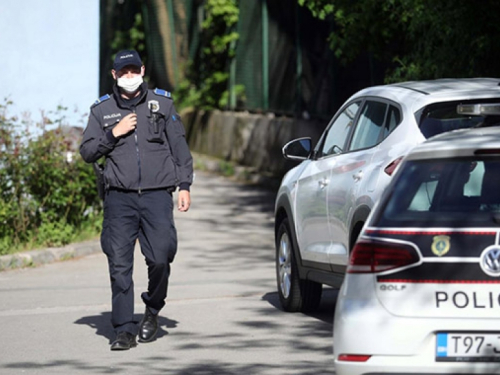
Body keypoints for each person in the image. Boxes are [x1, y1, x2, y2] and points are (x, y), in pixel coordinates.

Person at [80, 49, 193, 350]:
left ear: (142, 70)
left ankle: (152, 309)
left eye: (134, 70)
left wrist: (184, 185)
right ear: (114, 75)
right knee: (119, 265)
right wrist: (113, 134)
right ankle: (123, 330)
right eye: (123, 72)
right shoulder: (101, 112)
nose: (129, 76)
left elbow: (179, 148)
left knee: (160, 258)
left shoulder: (162, 103)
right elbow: (87, 152)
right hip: (119, 198)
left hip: (157, 196)